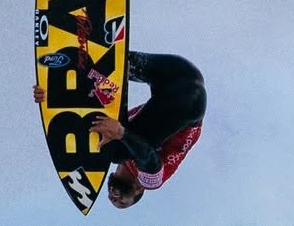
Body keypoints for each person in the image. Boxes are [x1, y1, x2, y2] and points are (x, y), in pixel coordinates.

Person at [34, 51, 206, 209]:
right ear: (138, 190)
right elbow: (147, 156)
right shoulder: (150, 181)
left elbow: (92, 106)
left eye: (112, 200)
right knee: (117, 152)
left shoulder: (119, 131)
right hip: (190, 100)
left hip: (178, 76)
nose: (114, 199)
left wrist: (52, 97)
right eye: (123, 202)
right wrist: (121, 133)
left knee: (111, 71)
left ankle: (86, 40)